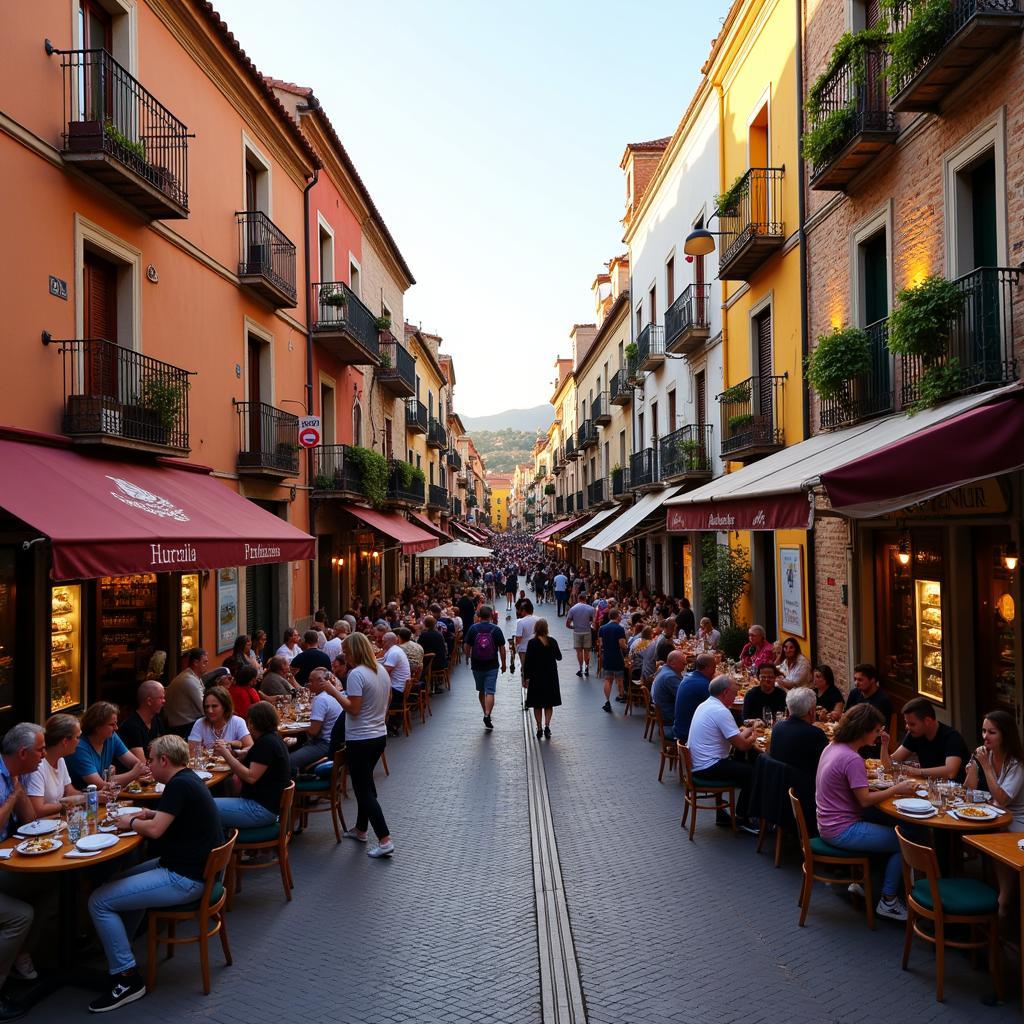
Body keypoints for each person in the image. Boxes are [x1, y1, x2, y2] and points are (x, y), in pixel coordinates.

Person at [86, 734, 223, 1013]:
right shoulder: (187, 780)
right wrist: (148, 814)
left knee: (98, 901)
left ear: (164, 760)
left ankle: (127, 978)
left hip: (184, 878)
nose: (147, 764)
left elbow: (156, 831)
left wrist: (131, 820)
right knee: (115, 882)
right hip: (191, 869)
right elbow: (167, 818)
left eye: (150, 759)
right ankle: (121, 948)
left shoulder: (177, 787)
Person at [815, 703, 917, 922]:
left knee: (890, 829)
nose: (879, 734)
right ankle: (888, 900)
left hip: (826, 823)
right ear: (864, 730)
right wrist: (897, 789)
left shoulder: (832, 747)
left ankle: (868, 883)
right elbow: (864, 800)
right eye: (876, 730)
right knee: (905, 840)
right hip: (842, 830)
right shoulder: (852, 759)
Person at [331, 633, 393, 858]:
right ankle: (361, 829)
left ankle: (385, 839)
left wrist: (333, 692)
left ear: (355, 650)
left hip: (360, 739)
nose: (345, 657)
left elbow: (353, 708)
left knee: (363, 790)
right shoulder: (380, 670)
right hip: (378, 736)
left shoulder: (356, 674)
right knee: (366, 785)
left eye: (346, 652)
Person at [0, 723, 46, 1012]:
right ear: (23, 752)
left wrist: (21, 792)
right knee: (21, 914)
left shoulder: (15, 773)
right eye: (40, 750)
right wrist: (13, 798)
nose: (43, 755)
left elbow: (30, 822)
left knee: (45, 885)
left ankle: (20, 955)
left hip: (5, 858)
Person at [965, 709, 1024, 915]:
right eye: (983, 731)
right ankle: (991, 891)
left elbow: (1002, 798)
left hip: (1018, 817)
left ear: (1005, 735)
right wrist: (972, 771)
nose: (985, 737)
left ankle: (1004, 898)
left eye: (992, 732)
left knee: (997, 835)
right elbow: (969, 791)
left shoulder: (1016, 763)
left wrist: (986, 769)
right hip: (998, 812)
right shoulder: (986, 755)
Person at [686, 676, 758, 828]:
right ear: (725, 692)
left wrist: (750, 730)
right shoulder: (721, 711)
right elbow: (742, 746)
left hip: (698, 763)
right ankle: (742, 818)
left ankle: (726, 815)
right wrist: (755, 737)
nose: (737, 695)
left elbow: (734, 737)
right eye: (735, 692)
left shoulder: (706, 705)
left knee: (743, 766)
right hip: (708, 766)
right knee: (754, 772)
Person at [213, 701, 290, 829]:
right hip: (266, 806)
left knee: (203, 806)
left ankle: (220, 845)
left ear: (252, 724)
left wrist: (226, 754)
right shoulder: (273, 739)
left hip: (259, 809)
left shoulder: (266, 744)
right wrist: (237, 753)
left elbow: (250, 777)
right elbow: (253, 756)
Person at [884, 696, 969, 782]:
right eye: (906, 723)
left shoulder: (952, 737)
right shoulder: (915, 734)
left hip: (955, 790)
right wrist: (884, 745)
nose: (907, 727)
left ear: (927, 721)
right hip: (929, 786)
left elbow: (951, 772)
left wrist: (918, 772)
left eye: (912, 724)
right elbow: (891, 762)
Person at [66, 702, 147, 790]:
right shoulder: (80, 747)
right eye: (112, 724)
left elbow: (137, 764)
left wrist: (110, 779)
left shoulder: (111, 737)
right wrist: (133, 774)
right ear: (97, 726)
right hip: (85, 799)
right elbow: (99, 785)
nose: (116, 728)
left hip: (105, 797)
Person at [27, 713, 83, 817]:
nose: (79, 741)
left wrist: (92, 796)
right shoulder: (38, 766)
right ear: (65, 741)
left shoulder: (60, 759)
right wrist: (65, 805)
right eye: (78, 737)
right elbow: (37, 809)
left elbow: (69, 792)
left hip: (57, 822)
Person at [770, 687, 829, 780]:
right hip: (803, 787)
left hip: (778, 782)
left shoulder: (777, 727)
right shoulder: (815, 734)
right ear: (811, 711)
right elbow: (828, 763)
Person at [289, 669, 342, 773]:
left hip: (324, 744)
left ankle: (295, 785)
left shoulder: (320, 699)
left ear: (320, 681)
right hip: (335, 743)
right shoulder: (333, 694)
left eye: (311, 681)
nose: (309, 684)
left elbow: (314, 731)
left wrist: (299, 726)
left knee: (287, 761)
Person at [463, 606, 506, 731]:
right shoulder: (496, 629)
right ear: (491, 616)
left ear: (479, 616)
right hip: (492, 664)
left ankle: (486, 713)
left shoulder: (473, 628)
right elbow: (502, 648)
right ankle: (487, 713)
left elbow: (467, 645)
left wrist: (469, 657)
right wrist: (503, 663)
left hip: (477, 665)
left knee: (481, 691)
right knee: (490, 691)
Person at [522, 619, 562, 739]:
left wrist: (526, 678)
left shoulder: (532, 643)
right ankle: (547, 725)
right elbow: (559, 657)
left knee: (537, 704)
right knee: (549, 703)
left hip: (536, 677)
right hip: (551, 676)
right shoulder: (552, 641)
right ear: (546, 628)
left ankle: (539, 727)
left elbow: (527, 662)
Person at [844, 663, 893, 757]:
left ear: (872, 680)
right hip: (853, 738)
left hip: (871, 745)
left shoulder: (882, 700)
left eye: (860, 680)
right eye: (855, 679)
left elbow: (881, 730)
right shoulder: (855, 693)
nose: (856, 683)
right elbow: (846, 716)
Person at [188, 687, 252, 752]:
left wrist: (233, 753)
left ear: (225, 706)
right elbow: (192, 751)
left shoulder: (237, 722)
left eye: (214, 706)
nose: (210, 711)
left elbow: (250, 747)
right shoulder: (200, 723)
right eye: (207, 706)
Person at [117, 681, 166, 762]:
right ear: (149, 701)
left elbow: (167, 751)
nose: (164, 701)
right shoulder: (132, 726)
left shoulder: (157, 721)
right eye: (161, 698)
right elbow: (141, 763)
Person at [165, 647, 208, 738]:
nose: (207, 664)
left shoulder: (190, 676)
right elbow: (204, 708)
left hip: (184, 723)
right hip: (184, 727)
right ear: (196, 663)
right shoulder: (189, 680)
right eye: (204, 662)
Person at [673, 653, 717, 742]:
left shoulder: (688, 677)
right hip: (689, 733)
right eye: (714, 668)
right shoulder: (703, 685)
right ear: (707, 668)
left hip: (680, 727)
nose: (715, 671)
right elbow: (718, 706)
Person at [597, 608, 628, 713]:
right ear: (616, 616)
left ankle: (607, 701)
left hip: (607, 656)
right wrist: (626, 646)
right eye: (619, 615)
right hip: (617, 656)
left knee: (608, 680)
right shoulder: (619, 628)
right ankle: (621, 695)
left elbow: (600, 644)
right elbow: (622, 644)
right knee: (619, 679)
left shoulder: (602, 628)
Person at [651, 651, 686, 739]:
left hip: (664, 713)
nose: (685, 666)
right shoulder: (670, 677)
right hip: (669, 719)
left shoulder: (663, 669)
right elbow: (684, 697)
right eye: (683, 663)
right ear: (673, 663)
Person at [565, 594, 597, 677]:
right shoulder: (590, 608)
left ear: (578, 599)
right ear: (585, 599)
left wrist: (573, 627)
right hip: (587, 632)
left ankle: (580, 668)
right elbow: (594, 622)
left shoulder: (573, 609)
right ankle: (586, 668)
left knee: (579, 651)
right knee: (587, 651)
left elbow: (567, 623)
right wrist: (591, 625)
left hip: (577, 632)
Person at [512, 600, 538, 677]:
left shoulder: (521, 622)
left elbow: (518, 638)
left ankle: (526, 684)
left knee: (525, 669)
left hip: (524, 649)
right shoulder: (538, 620)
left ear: (524, 611)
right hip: (535, 648)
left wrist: (516, 646)